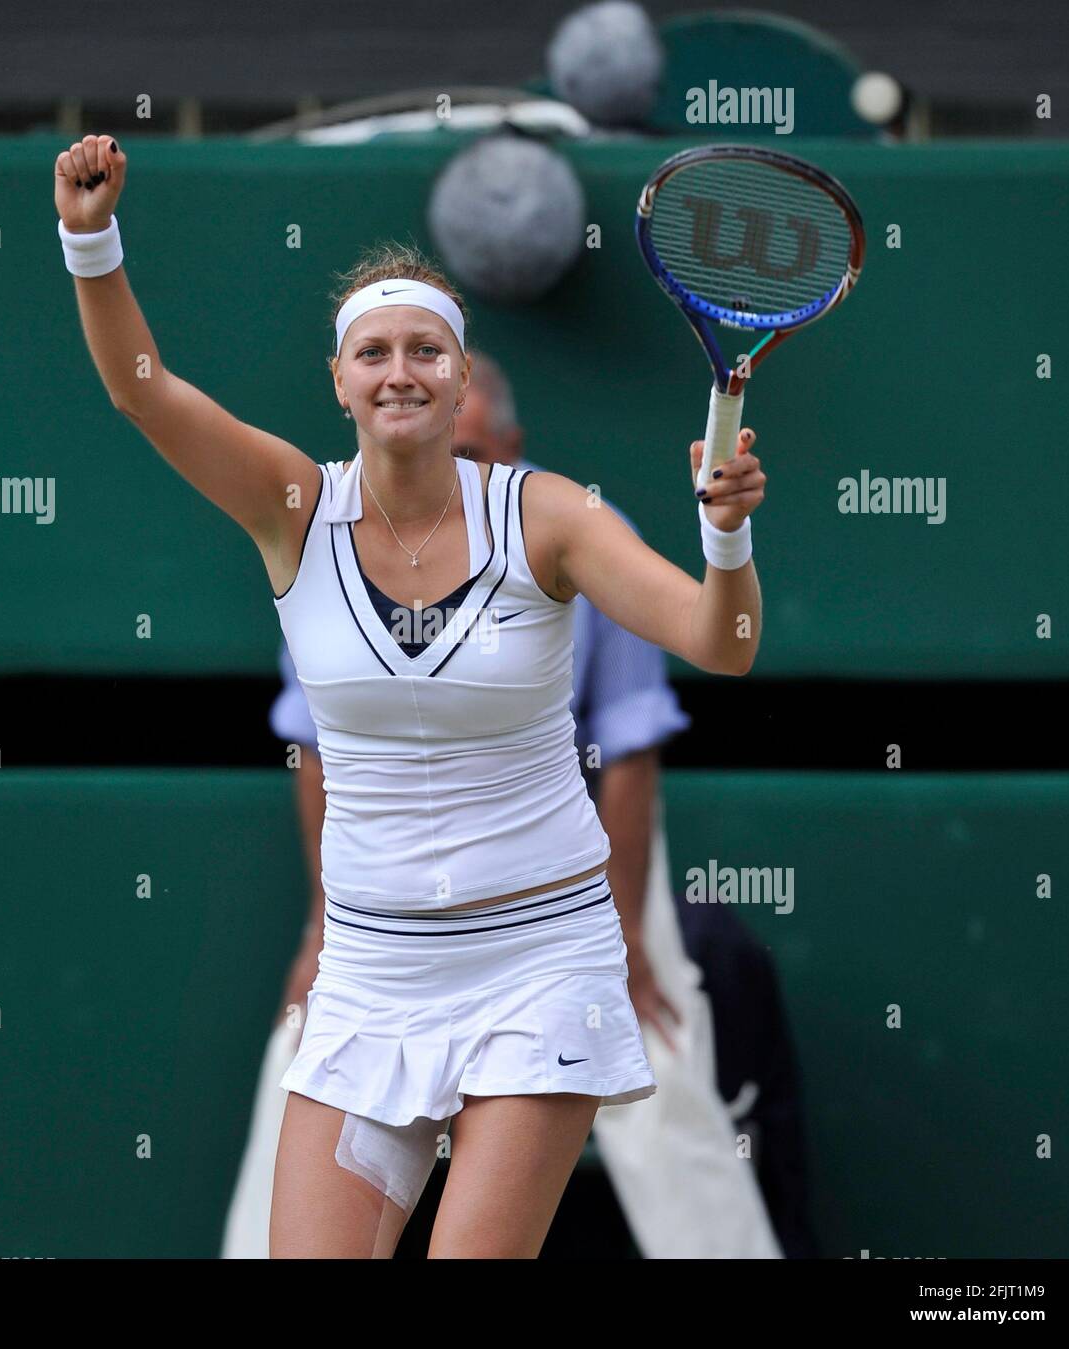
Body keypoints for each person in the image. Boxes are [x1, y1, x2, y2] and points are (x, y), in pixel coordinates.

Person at [54, 134, 766, 1258]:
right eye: (375, 349)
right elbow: (145, 395)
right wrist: (89, 238)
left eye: (428, 350)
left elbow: (719, 644)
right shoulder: (291, 505)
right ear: (338, 381)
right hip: (371, 977)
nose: (401, 370)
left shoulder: (550, 517)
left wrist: (725, 535)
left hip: (540, 964)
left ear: (461, 375)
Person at [222, 352, 782, 1259]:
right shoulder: (322, 539)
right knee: (294, 1062)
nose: (450, 461)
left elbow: (632, 749)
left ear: (510, 447)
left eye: (473, 445)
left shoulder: (567, 526)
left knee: (662, 1064)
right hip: (383, 898)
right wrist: (322, 922)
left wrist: (629, 935)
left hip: (569, 869)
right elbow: (319, 752)